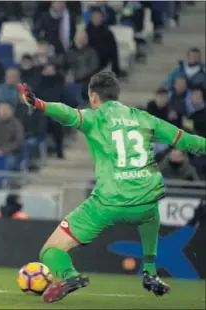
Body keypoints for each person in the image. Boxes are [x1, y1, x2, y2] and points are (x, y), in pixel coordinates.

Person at [18, 71, 205, 303]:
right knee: (150, 211)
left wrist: (39, 103)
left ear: (94, 97)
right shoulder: (144, 118)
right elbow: (189, 142)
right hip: (144, 203)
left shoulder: (95, 118)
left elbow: (67, 114)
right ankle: (149, 272)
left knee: (50, 250)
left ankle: (69, 275)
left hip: (108, 203)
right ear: (117, 95)